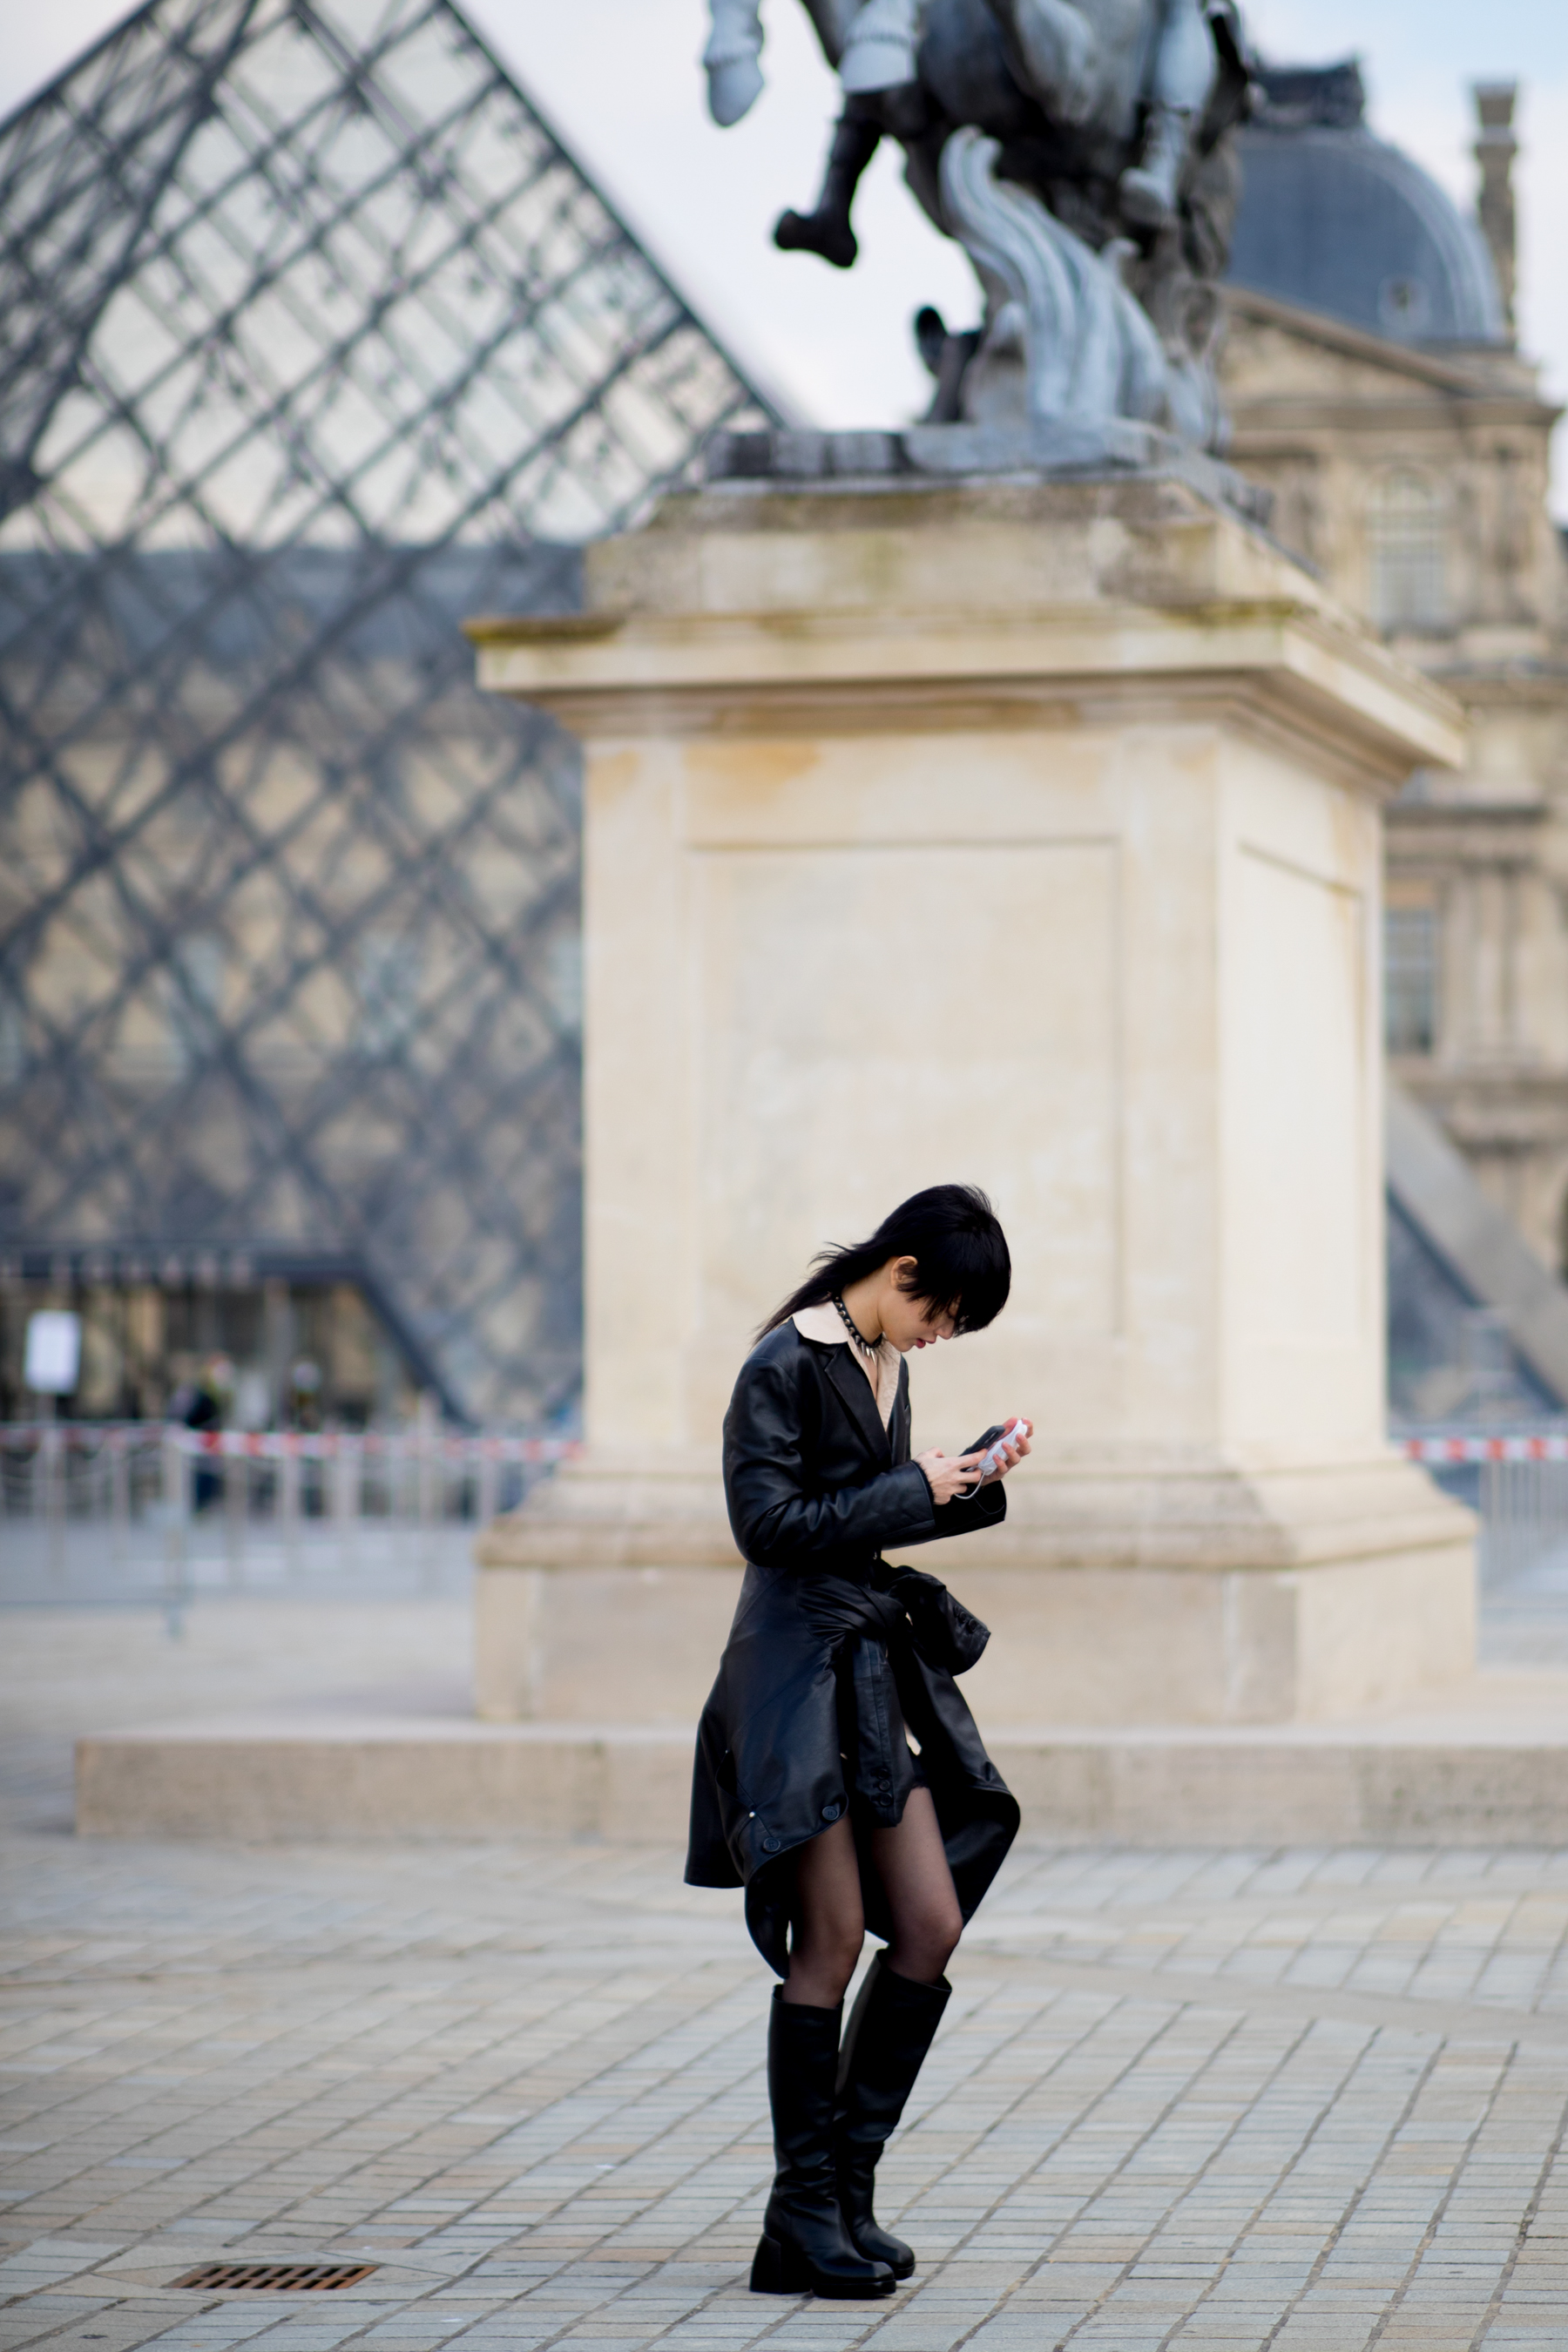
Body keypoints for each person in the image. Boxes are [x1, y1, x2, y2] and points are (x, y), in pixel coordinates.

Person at [686, 1184, 1031, 2300]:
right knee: (829, 1940)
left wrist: (968, 1481)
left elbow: (882, 1509)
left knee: (928, 1923)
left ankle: (844, 2194)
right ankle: (801, 2217)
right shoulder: (782, 1363)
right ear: (900, 1272)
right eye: (944, 1314)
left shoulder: (890, 1362)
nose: (942, 1335)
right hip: (794, 1677)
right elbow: (768, 1528)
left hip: (869, 1678)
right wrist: (908, 1488)